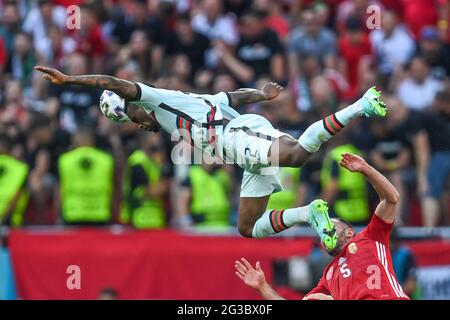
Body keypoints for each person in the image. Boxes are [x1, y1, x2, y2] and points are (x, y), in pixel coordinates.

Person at [35, 65, 387, 251]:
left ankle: (361, 103)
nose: (138, 126)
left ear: (134, 107)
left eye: (131, 118)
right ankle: (310, 212)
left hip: (235, 137)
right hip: (240, 152)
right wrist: (262, 95)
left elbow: (114, 82)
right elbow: (231, 95)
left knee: (296, 155)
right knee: (248, 228)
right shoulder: (183, 104)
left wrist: (70, 81)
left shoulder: (155, 99)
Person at [235, 153, 409, 300]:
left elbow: (391, 199)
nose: (324, 231)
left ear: (349, 233)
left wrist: (365, 169)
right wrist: (263, 287)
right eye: (322, 230)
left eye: (330, 225)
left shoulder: (371, 238)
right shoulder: (328, 276)